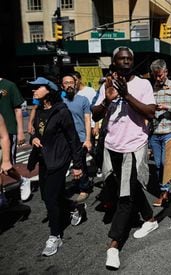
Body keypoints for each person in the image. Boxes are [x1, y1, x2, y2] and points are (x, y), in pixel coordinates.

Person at [92, 46, 158, 270]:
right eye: (122, 59)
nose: (126, 62)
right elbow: (95, 114)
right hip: (112, 146)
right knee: (128, 185)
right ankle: (149, 219)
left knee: (125, 195)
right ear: (114, 62)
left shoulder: (142, 84)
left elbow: (150, 112)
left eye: (130, 58)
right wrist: (108, 100)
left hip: (133, 146)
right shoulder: (107, 84)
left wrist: (126, 95)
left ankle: (113, 245)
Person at [27, 77, 84, 257]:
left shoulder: (61, 112)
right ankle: (74, 206)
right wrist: (33, 138)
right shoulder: (39, 111)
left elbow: (73, 138)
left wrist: (78, 165)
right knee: (48, 196)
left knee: (50, 198)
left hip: (59, 159)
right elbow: (38, 132)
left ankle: (55, 236)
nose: (34, 90)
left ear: (49, 91)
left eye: (38, 87)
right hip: (45, 159)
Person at [149, 59, 171, 206]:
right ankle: (168, 188)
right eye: (155, 75)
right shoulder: (151, 87)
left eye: (160, 75)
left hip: (170, 129)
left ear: (166, 72)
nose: (158, 78)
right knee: (158, 164)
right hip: (155, 131)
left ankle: (166, 190)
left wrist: (166, 106)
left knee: (166, 162)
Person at [61, 74, 92, 205]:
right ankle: (64, 188)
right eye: (66, 83)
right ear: (62, 86)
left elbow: (87, 119)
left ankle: (84, 188)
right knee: (62, 164)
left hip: (79, 138)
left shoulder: (83, 100)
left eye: (71, 82)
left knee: (80, 164)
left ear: (75, 83)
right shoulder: (59, 100)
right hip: (62, 139)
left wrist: (88, 139)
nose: (69, 85)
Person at [0, 77, 30, 200]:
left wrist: (20, 131)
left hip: (8, 130)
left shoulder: (9, 85)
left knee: (7, 167)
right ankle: (1, 196)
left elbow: (18, 109)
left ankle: (22, 180)